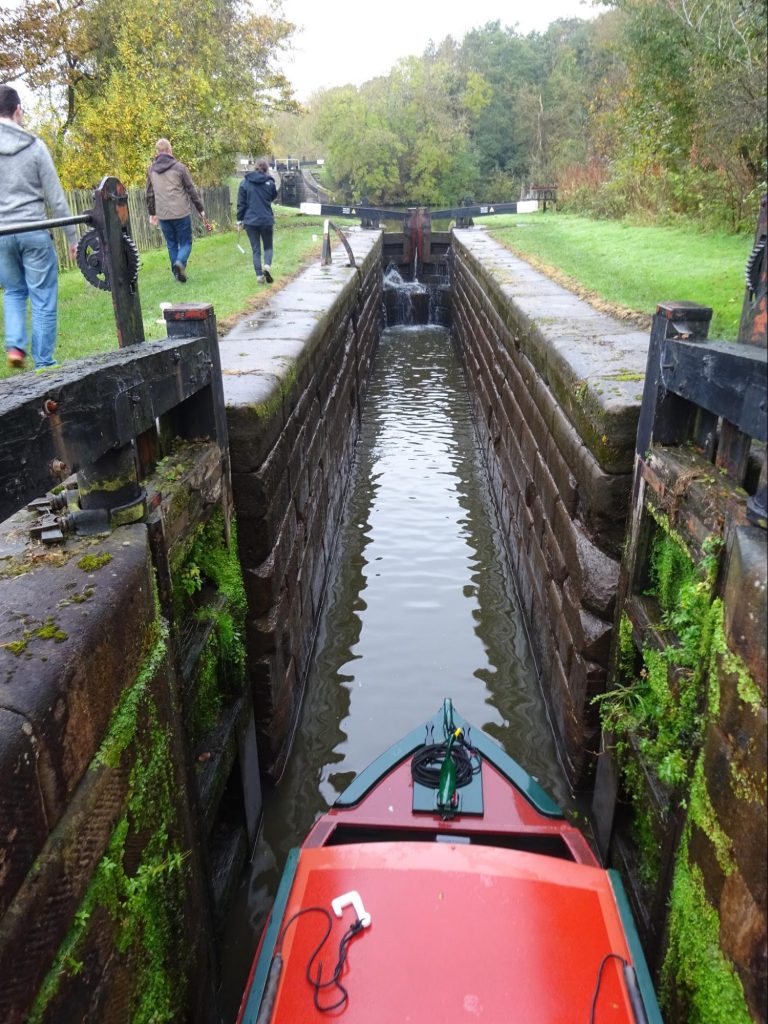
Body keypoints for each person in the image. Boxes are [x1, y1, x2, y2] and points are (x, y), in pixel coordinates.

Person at [0, 85, 78, 371]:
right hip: (34, 229)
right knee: (43, 296)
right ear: (18, 110)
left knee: (14, 292)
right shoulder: (34, 146)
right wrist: (72, 237)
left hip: (2, 235)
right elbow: (56, 197)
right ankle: (44, 363)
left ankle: (16, 347)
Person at [145, 138, 205, 283]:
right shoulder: (179, 168)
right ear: (170, 150)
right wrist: (200, 209)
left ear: (157, 152)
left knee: (172, 244)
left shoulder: (151, 170)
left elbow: (149, 194)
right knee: (185, 243)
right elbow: (191, 190)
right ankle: (180, 263)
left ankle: (177, 274)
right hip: (181, 212)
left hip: (163, 214)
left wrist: (152, 213)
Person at [236, 158, 278, 284]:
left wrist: (239, 220)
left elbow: (241, 204)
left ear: (255, 168)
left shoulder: (244, 183)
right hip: (266, 220)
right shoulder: (270, 182)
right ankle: (267, 266)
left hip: (250, 222)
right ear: (266, 169)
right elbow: (273, 196)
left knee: (256, 249)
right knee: (268, 247)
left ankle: (259, 276)